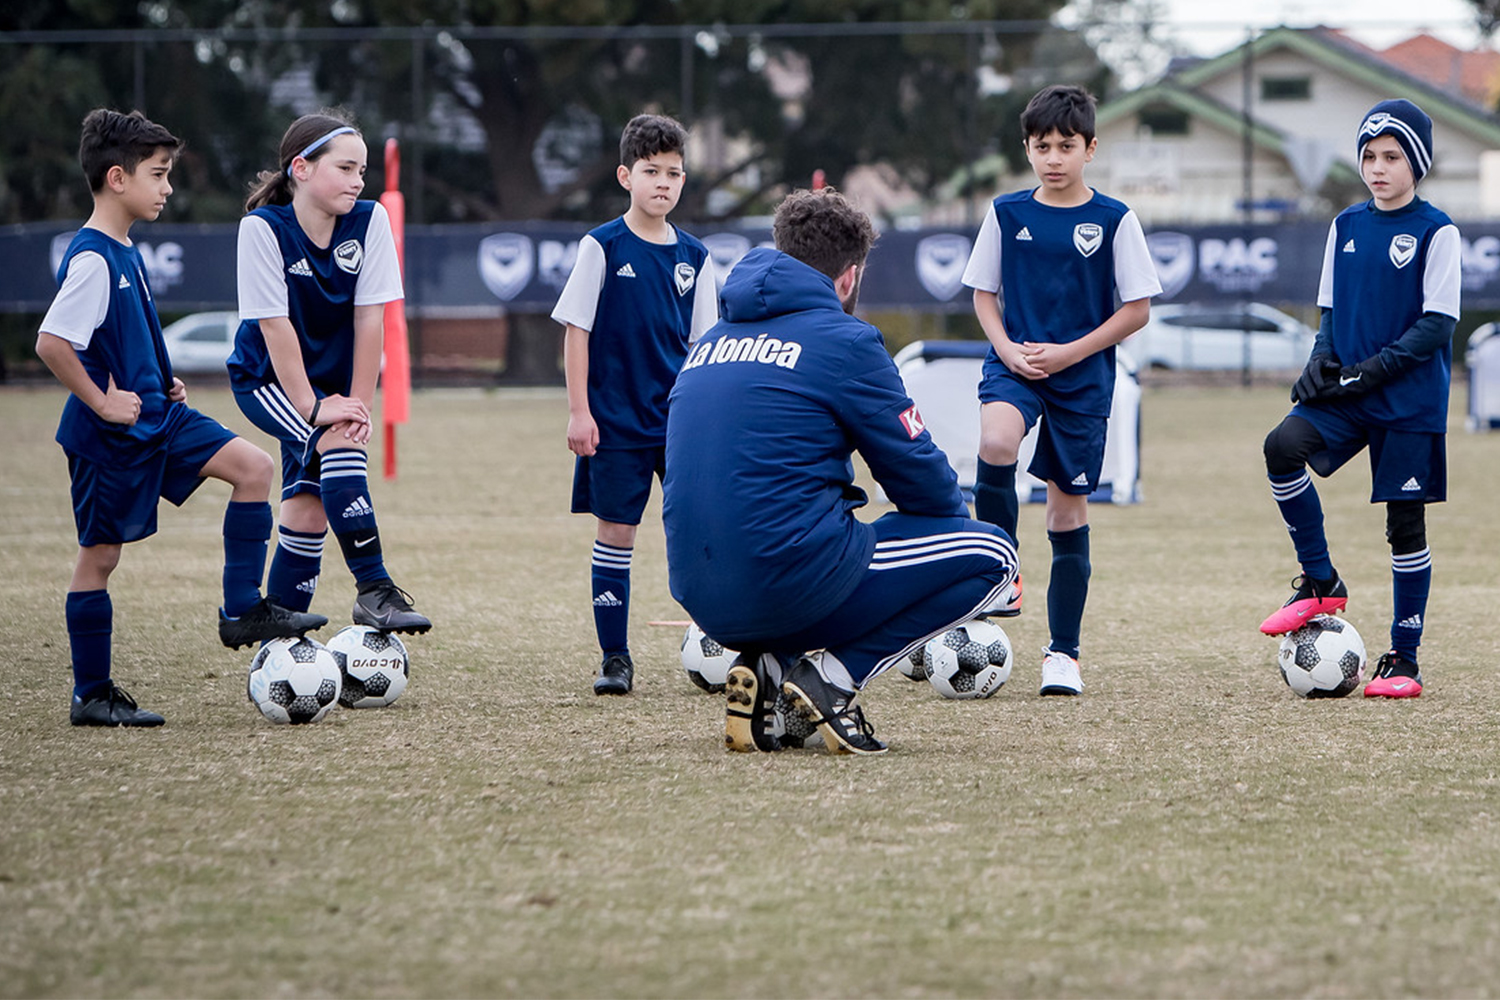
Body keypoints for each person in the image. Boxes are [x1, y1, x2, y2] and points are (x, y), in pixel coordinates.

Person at [662, 187, 1020, 756]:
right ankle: (832, 680)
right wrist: (947, 549)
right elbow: (919, 479)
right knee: (995, 554)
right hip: (787, 579)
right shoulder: (847, 341)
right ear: (849, 277)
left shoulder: (710, 341)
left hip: (698, 594)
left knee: (816, 533)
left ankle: (769, 667)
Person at [36, 109, 327, 727]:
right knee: (100, 558)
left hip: (160, 417)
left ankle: (240, 609)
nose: (168, 187)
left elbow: (122, 337)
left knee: (254, 468)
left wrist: (160, 378)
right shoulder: (92, 258)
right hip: (110, 436)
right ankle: (92, 694)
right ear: (117, 178)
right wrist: (102, 401)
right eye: (158, 174)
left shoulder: (125, 250)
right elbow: (53, 343)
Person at [959, 84, 1160, 696]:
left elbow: (1138, 309)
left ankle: (1063, 654)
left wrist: (1070, 352)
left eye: (1066, 146)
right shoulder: (1006, 213)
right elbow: (983, 294)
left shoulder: (1116, 220)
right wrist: (1005, 349)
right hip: (1015, 364)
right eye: (1041, 146)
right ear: (1026, 148)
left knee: (1066, 510)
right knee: (996, 442)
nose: (1053, 157)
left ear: (1089, 149)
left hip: (1083, 377)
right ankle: (1002, 570)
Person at [1259, 99, 1460, 699]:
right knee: (1282, 446)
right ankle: (1321, 580)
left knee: (1405, 526)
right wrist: (1318, 361)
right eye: (1369, 157)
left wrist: (1370, 372)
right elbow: (1329, 309)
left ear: (1416, 163)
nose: (1378, 168)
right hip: (1347, 392)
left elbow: (1437, 324)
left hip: (1408, 400)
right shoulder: (1345, 225)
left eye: (1392, 157)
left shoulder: (1437, 230)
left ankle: (1404, 661)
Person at [228, 109, 430, 635]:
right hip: (270, 383)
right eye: (345, 168)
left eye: (362, 170)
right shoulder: (261, 229)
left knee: (308, 509)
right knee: (336, 447)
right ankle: (374, 588)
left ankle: (278, 637)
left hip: (333, 391)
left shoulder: (370, 220)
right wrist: (314, 408)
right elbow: (274, 327)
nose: (358, 180)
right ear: (300, 168)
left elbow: (370, 319)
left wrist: (357, 407)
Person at [551, 113, 718, 696]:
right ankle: (615, 659)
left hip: (679, 426)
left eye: (673, 173)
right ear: (626, 176)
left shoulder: (696, 257)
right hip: (615, 424)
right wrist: (580, 411)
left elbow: (705, 348)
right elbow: (576, 331)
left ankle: (724, 638)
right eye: (651, 171)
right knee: (617, 534)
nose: (663, 183)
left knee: (701, 530)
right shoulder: (601, 246)